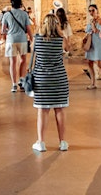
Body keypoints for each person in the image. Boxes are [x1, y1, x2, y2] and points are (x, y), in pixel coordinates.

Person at [30, 13, 70, 152]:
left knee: (43, 110)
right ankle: (63, 142)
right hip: (59, 78)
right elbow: (68, 49)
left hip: (42, 80)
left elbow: (32, 51)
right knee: (60, 109)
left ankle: (41, 142)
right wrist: (61, 34)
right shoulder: (61, 39)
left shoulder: (37, 39)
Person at [1, 0, 33, 92]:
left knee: (13, 62)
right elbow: (28, 28)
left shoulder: (6, 14)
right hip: (22, 39)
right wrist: (32, 39)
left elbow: (3, 30)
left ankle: (14, 85)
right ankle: (22, 81)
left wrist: (9, 31)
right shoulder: (24, 14)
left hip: (11, 40)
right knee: (23, 60)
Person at [82, 3, 101, 89]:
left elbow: (96, 31)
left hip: (98, 43)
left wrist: (92, 25)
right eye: (90, 11)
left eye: (93, 10)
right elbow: (89, 32)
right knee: (89, 62)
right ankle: (93, 83)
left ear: (97, 10)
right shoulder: (92, 20)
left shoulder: (100, 20)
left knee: (99, 63)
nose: (91, 12)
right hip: (91, 43)